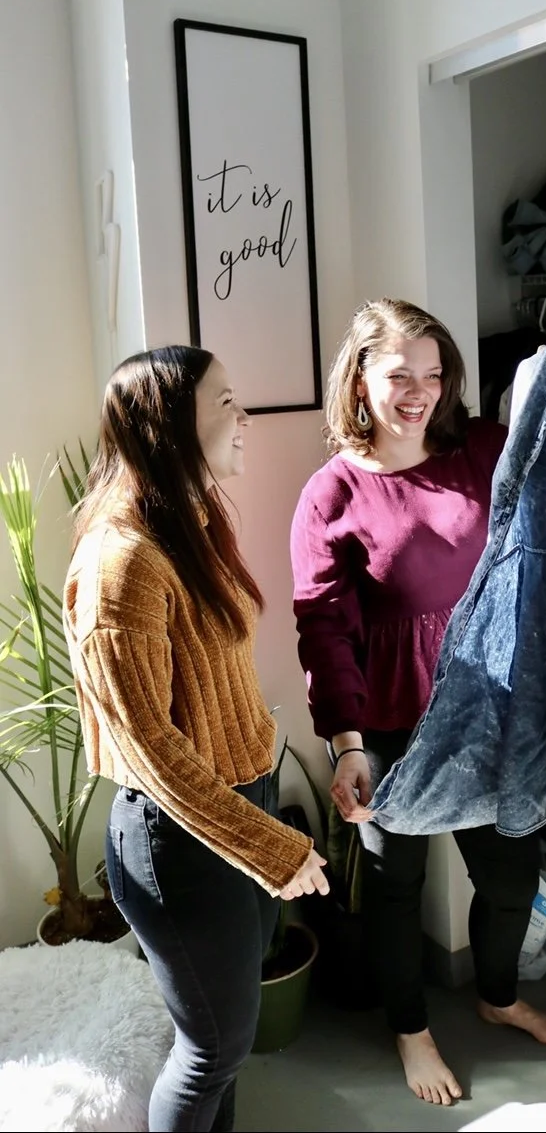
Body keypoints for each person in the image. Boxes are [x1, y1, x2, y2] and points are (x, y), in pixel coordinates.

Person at [290, 298, 546, 1107]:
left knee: (512, 872)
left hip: (487, 709)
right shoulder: (331, 493)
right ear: (359, 381)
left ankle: (495, 994)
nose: (418, 391)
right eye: (397, 375)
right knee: (394, 884)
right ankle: (411, 1029)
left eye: (432, 373)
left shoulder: (482, 447)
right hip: (386, 722)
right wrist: (346, 744)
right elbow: (322, 628)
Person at [63, 346, 329, 1133]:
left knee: (229, 1044)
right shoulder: (121, 561)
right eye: (226, 403)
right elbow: (150, 749)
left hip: (233, 806)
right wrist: (272, 846)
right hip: (175, 837)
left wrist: (262, 820)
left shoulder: (189, 523)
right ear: (170, 423)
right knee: (212, 1047)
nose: (244, 418)